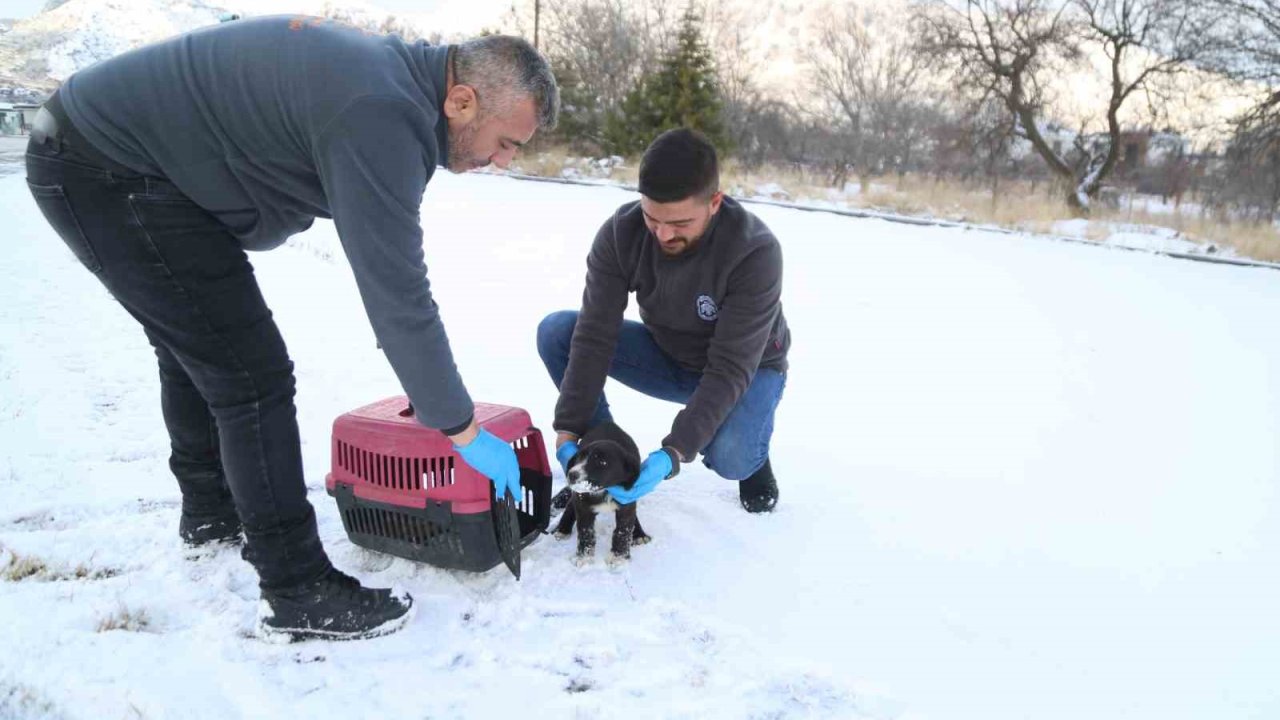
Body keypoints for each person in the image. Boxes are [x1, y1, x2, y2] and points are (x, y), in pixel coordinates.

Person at [24, 15, 558, 641]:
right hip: (104, 167)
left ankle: (210, 515)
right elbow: (398, 298)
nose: (502, 160)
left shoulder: (389, 86)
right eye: (506, 142)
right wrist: (461, 429)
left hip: (112, 157)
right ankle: (297, 588)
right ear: (461, 100)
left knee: (199, 344)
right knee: (252, 377)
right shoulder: (381, 112)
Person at [538, 128, 790, 514]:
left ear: (714, 203)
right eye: (652, 218)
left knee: (732, 457)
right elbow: (594, 336)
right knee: (558, 332)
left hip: (747, 370)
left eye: (680, 223)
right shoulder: (622, 233)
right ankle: (605, 451)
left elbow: (729, 368)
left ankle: (751, 453)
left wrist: (675, 451)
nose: (663, 233)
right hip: (667, 355)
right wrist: (570, 427)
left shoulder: (753, 251)